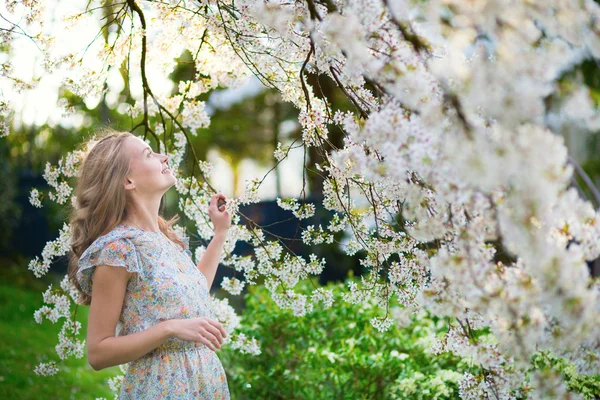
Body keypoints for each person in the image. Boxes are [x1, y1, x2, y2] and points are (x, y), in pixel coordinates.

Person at [67, 128, 232, 399]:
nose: (164, 157)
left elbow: (192, 294)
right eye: (149, 153)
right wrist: (170, 328)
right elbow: (98, 352)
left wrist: (220, 235)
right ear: (128, 180)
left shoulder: (165, 239)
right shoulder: (119, 250)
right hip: (162, 387)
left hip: (205, 382)